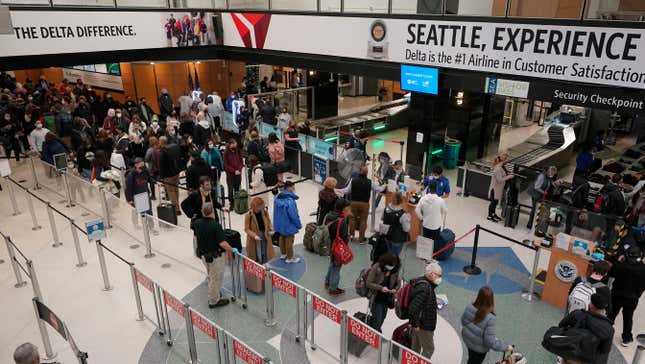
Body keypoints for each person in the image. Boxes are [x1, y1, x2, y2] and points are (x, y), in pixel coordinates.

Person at [191, 202, 236, 308]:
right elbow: (222, 243)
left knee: (211, 275)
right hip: (215, 257)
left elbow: (196, 236)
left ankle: (214, 293)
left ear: (202, 211)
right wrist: (231, 249)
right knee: (216, 278)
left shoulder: (197, 223)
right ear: (212, 212)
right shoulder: (215, 225)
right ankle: (213, 301)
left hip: (204, 256)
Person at [461, 286, 514, 364]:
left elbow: (463, 322)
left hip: (468, 340)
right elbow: (490, 341)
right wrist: (506, 347)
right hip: (479, 348)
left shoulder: (469, 307)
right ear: (491, 300)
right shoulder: (490, 318)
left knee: (471, 358)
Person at [558, 293, 614, 364]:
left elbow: (561, 325)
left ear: (591, 305)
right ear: (603, 309)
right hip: (590, 360)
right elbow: (605, 350)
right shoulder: (609, 328)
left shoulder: (577, 314)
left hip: (571, 356)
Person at [607, 246, 645, 347]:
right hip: (632, 298)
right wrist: (637, 295)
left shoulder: (621, 266)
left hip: (617, 294)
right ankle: (627, 338)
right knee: (628, 317)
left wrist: (618, 262)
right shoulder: (643, 268)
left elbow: (611, 273)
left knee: (611, 314)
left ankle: (605, 332)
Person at [338, 165, 386, 244]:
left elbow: (346, 191)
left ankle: (351, 236)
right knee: (363, 221)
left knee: (352, 219)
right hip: (364, 204)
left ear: (359, 172)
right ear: (367, 173)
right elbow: (379, 189)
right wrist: (385, 185)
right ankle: (361, 239)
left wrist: (338, 190)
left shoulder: (353, 180)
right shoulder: (370, 182)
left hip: (353, 203)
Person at [409, 261, 442, 359]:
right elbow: (413, 308)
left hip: (420, 323)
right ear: (431, 274)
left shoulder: (424, 284)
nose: (440, 278)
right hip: (423, 325)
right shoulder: (425, 288)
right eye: (438, 276)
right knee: (429, 349)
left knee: (415, 347)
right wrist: (416, 324)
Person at [366, 253, 400, 332]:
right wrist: (381, 288)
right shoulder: (377, 267)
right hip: (376, 298)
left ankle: (376, 332)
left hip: (387, 299)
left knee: (382, 318)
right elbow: (368, 283)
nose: (391, 267)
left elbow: (398, 283)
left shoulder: (395, 270)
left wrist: (395, 289)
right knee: (377, 319)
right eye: (390, 265)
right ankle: (376, 334)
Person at [325, 198, 351, 296]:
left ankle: (327, 281)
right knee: (336, 267)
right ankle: (333, 288)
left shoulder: (329, 216)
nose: (349, 210)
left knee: (332, 263)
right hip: (338, 248)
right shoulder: (341, 221)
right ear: (343, 209)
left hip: (330, 245)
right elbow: (344, 238)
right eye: (348, 208)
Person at [124, 157, 157, 233]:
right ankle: (135, 224)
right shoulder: (131, 175)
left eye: (143, 164)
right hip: (137, 196)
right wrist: (129, 199)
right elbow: (127, 188)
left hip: (145, 194)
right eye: (141, 164)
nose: (143, 166)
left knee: (149, 211)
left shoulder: (145, 171)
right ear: (136, 165)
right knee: (137, 211)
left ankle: (151, 228)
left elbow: (150, 179)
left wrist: (156, 182)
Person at [273, 181, 302, 264]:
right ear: (289, 188)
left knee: (282, 237)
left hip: (280, 223)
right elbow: (293, 214)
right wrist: (298, 224)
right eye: (293, 187)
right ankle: (290, 257)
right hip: (288, 224)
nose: (294, 189)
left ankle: (283, 253)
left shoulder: (277, 197)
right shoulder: (290, 201)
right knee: (289, 239)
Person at [244, 197, 275, 263]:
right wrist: (254, 236)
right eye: (259, 207)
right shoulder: (248, 215)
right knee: (257, 252)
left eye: (262, 206)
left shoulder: (264, 211)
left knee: (265, 250)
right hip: (254, 238)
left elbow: (268, 221)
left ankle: (265, 264)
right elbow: (246, 229)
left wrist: (271, 228)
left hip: (265, 234)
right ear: (254, 207)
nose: (261, 208)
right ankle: (259, 265)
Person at [527, 166, 558, 230]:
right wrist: (544, 192)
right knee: (534, 209)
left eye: (554, 174)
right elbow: (536, 187)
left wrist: (556, 183)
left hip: (539, 195)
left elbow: (550, 182)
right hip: (535, 194)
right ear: (549, 171)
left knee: (537, 209)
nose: (552, 175)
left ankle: (535, 224)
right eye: (552, 174)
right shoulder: (542, 176)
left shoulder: (548, 176)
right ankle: (530, 225)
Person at [382, 191, 411, 257]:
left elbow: (382, 218)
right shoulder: (403, 214)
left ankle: (387, 262)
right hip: (397, 239)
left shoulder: (386, 208)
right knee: (395, 256)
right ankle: (393, 264)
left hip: (387, 235)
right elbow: (406, 229)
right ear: (401, 200)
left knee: (388, 251)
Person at [158, 136, 182, 215]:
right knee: (176, 189)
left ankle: (176, 209)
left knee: (171, 192)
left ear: (161, 142)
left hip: (168, 176)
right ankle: (177, 204)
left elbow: (161, 167)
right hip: (176, 173)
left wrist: (161, 178)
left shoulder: (162, 152)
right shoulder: (174, 147)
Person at [487, 154, 514, 222]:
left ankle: (493, 214)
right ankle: (490, 216)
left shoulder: (501, 167)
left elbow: (503, 173)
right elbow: (499, 179)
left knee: (495, 202)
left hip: (498, 188)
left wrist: (508, 173)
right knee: (493, 202)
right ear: (503, 160)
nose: (507, 162)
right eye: (506, 160)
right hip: (495, 188)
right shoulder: (498, 168)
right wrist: (509, 177)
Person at [223, 139, 244, 209]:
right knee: (230, 190)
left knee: (237, 189)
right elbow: (226, 165)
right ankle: (231, 203)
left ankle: (237, 203)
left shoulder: (238, 151)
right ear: (230, 144)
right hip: (230, 175)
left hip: (238, 174)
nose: (235, 145)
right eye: (234, 144)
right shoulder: (226, 153)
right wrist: (234, 171)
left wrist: (239, 169)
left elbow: (241, 161)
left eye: (236, 144)